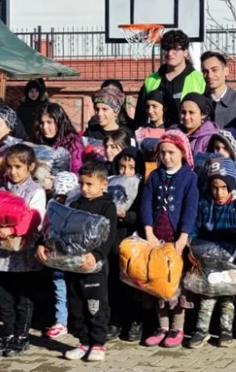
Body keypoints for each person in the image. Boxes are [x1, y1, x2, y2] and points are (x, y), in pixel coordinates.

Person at [37, 161, 118, 362]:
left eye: (90, 184)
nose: (84, 188)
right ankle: (84, 342)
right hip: (72, 266)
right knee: (77, 306)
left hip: (93, 268)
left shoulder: (108, 206)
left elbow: (109, 236)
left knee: (95, 305)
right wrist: (43, 244)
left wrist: (97, 255)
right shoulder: (74, 204)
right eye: (81, 183)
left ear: (103, 184)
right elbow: (57, 228)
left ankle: (98, 343)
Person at [0, 144, 46, 357]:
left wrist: (12, 230)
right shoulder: (0, 190)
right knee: (4, 299)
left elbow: (35, 220)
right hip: (0, 255)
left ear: (30, 167)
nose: (13, 171)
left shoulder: (35, 191)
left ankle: (22, 334)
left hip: (24, 255)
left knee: (23, 298)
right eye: (10, 166)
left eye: (19, 167)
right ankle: (8, 334)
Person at [141, 130, 199, 348]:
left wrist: (183, 236)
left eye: (171, 152)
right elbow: (146, 205)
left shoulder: (189, 177)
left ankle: (177, 327)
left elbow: (190, 209)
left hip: (176, 240)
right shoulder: (155, 176)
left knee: (176, 284)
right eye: (163, 152)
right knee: (158, 282)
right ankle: (162, 326)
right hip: (157, 239)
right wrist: (148, 231)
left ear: (182, 153)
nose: (166, 157)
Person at [188, 156, 236, 349]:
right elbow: (195, 229)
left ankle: (226, 330)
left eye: (224, 187)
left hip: (231, 259)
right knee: (207, 295)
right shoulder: (204, 205)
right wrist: (191, 247)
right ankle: (201, 329)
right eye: (215, 187)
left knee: (227, 297)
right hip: (208, 260)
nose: (219, 192)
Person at [107, 147, 146, 342]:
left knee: (132, 283)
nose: (125, 171)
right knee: (113, 282)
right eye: (122, 166)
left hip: (131, 238)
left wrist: (126, 215)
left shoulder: (141, 187)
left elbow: (141, 215)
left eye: (131, 167)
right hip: (112, 239)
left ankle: (135, 321)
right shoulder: (111, 183)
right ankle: (115, 321)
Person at [135, 30, 206, 128]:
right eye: (167, 49)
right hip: (157, 139)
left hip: (188, 138)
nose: (170, 53)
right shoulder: (151, 80)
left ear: (185, 52)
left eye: (175, 49)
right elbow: (140, 116)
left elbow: (206, 115)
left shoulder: (199, 80)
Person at [45, 172, 79, 339]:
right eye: (58, 196)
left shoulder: (77, 207)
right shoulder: (51, 206)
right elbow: (46, 227)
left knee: (75, 289)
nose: (61, 200)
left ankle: (77, 320)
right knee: (59, 288)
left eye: (64, 196)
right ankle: (61, 321)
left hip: (74, 256)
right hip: (56, 255)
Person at [201, 51, 236, 141]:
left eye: (214, 70)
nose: (209, 76)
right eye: (205, 72)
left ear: (226, 71)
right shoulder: (199, 103)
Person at [32, 102, 84, 175]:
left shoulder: (73, 144)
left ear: (59, 123)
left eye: (49, 122)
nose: (44, 127)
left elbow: (77, 171)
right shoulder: (35, 140)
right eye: (42, 123)